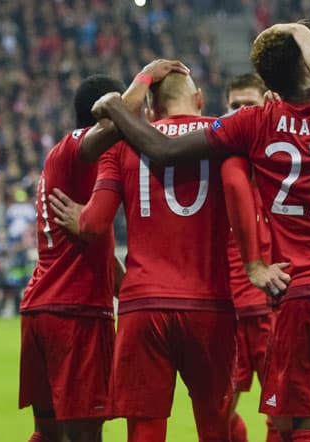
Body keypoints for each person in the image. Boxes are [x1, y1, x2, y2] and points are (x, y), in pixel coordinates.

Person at [90, 22, 310, 441]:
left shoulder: (252, 124)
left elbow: (162, 150)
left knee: (307, 425)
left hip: (296, 294)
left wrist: (117, 105)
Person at [51, 69, 243, 442]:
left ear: (151, 112)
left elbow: (94, 225)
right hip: (210, 305)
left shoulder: (123, 144)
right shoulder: (225, 133)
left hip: (143, 307)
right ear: (199, 98)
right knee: (215, 427)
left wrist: (81, 217)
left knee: (144, 429)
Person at [18, 74, 126, 442]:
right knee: (84, 435)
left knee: (47, 434)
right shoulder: (76, 149)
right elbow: (108, 130)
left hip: (44, 308)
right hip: (75, 312)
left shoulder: (77, 173)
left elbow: (102, 256)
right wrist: (144, 81)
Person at [223, 72, 277, 442]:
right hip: (224, 316)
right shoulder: (215, 166)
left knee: (284, 417)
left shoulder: (283, 165)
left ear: (267, 106)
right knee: (217, 415)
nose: (242, 113)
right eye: (234, 106)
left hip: (269, 312)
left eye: (249, 105)